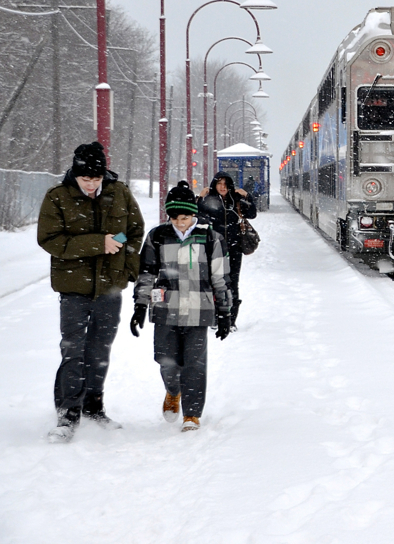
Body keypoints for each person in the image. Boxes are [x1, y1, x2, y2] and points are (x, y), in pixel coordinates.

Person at [38, 142, 145, 442]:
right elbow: (50, 239)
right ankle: (67, 413)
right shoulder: (58, 197)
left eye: (96, 180)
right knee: (73, 349)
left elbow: (134, 230)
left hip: (110, 287)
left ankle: (93, 406)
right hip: (74, 288)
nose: (91, 185)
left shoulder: (119, 193)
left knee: (100, 349)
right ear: (75, 174)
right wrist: (99, 242)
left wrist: (123, 260)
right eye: (86, 179)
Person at [130, 182, 232, 431]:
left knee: (195, 363)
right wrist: (140, 306)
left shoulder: (210, 237)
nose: (179, 222)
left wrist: (225, 313)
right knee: (166, 361)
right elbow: (146, 273)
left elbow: (220, 277)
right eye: (174, 217)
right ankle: (173, 391)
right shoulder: (157, 236)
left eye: (185, 216)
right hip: (165, 309)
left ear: (193, 214)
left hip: (199, 310)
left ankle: (192, 414)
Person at [198, 170, 257, 326]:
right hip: (212, 249)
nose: (222, 187)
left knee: (231, 283)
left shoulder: (236, 200)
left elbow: (252, 214)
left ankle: (231, 320)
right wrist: (199, 197)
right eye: (219, 183)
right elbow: (194, 216)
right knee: (213, 282)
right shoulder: (208, 201)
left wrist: (247, 196)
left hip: (234, 248)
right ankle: (216, 317)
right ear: (214, 185)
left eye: (225, 184)